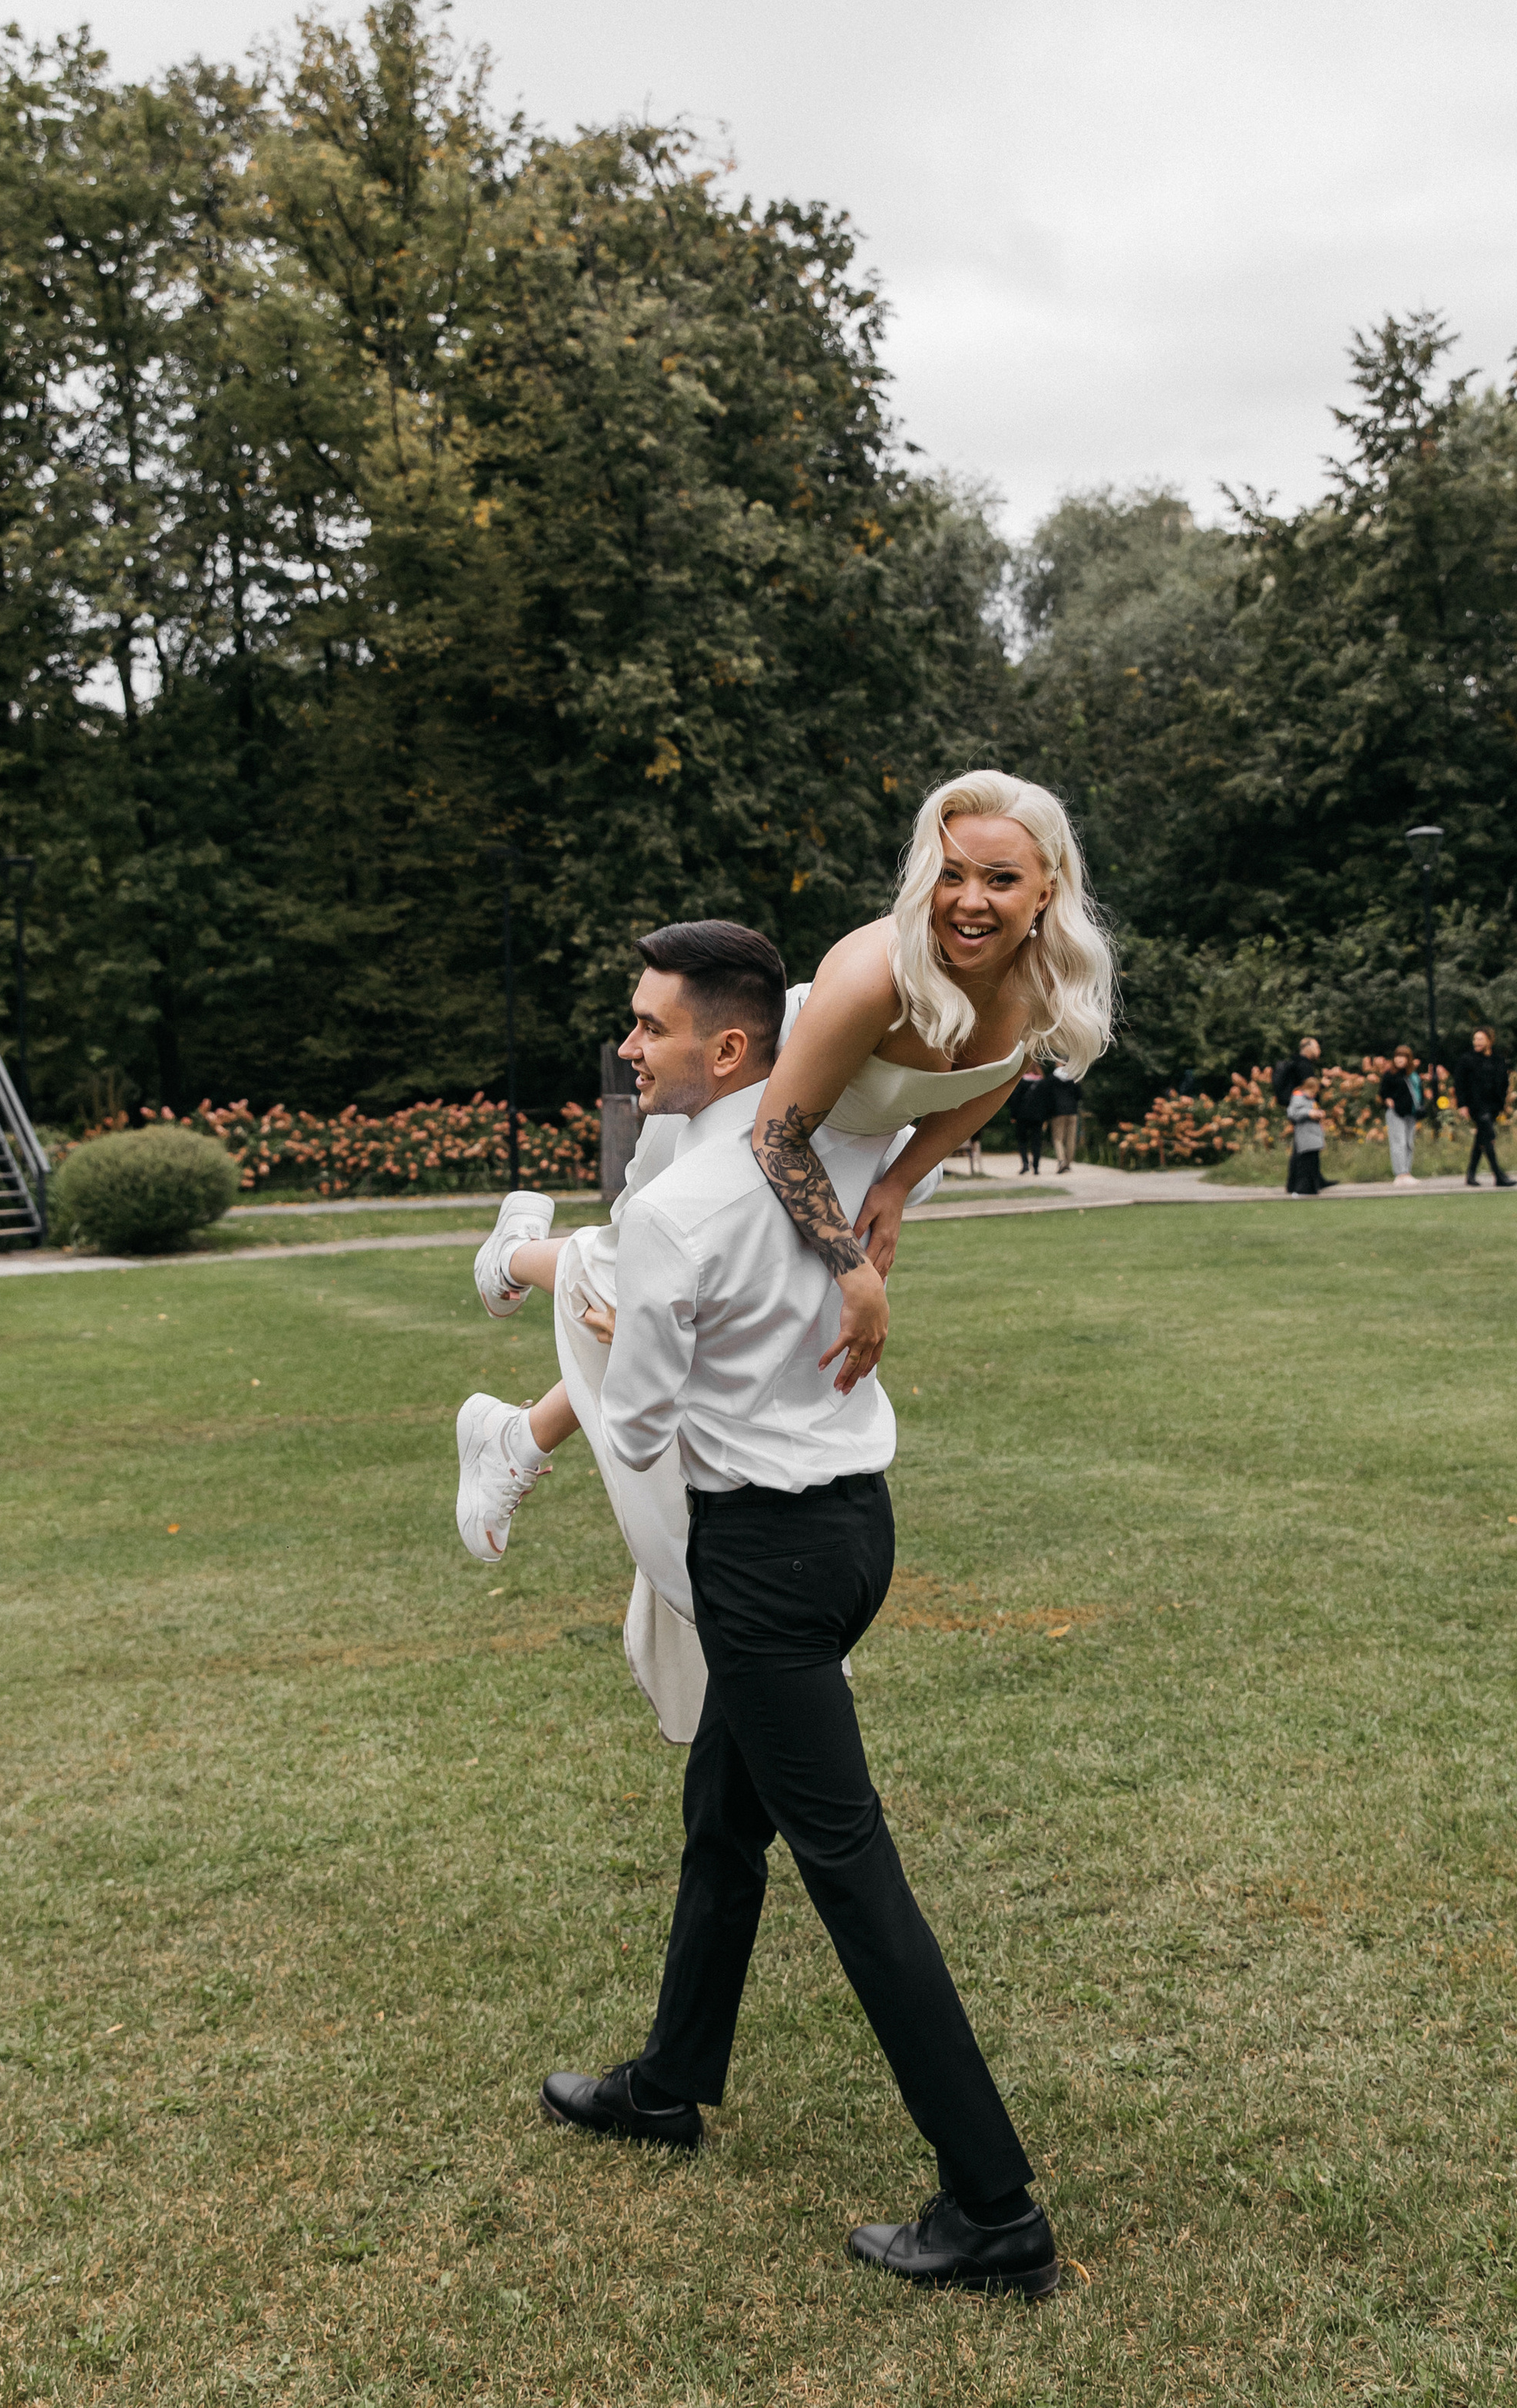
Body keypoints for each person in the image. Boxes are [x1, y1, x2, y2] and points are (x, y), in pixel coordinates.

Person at [538, 919, 1062, 2301]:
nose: (627, 1046)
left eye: (646, 1026)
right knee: (725, 1808)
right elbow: (980, 1075)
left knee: (851, 1869)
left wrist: (582, 1315)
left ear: (730, 1044)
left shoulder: (669, 1212)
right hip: (854, 1538)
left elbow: (640, 1426)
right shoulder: (833, 1155)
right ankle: (669, 2081)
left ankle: (994, 2206)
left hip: (762, 1561)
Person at [453, 771, 1115, 1742]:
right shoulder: (874, 972)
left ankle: (518, 1432)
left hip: (861, 1149)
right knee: (652, 1273)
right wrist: (852, 1269)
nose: (971, 900)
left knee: (710, 1313)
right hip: (770, 1109)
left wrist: (897, 1186)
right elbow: (774, 1139)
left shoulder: (1040, 984)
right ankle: (517, 1257)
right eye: (952, 874)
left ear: (1047, 888)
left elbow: (986, 1082)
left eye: (1001, 879)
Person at [1454, 1027, 1517, 1187]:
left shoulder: (1497, 1059)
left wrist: (1503, 1103)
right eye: (1475, 1039)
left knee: (1481, 1139)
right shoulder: (1467, 1060)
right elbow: (1460, 1084)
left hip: (1493, 1105)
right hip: (1476, 1105)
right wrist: (1462, 1105)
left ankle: (1471, 1175)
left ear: (1489, 1040)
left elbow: (1503, 1082)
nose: (1477, 1042)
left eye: (1480, 1039)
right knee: (1489, 1137)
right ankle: (1499, 1175)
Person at [1380, 1044, 1422, 1186]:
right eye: (1397, 1056)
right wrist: (1388, 1100)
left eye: (1403, 1057)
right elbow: (1383, 1091)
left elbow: (1418, 1092)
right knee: (1399, 1142)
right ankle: (1400, 1173)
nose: (1399, 1059)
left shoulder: (1412, 1075)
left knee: (1409, 1143)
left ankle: (1407, 1171)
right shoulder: (1390, 1074)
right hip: (1396, 1112)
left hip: (1410, 1113)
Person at [1284, 1070, 1328, 1194]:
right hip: (1306, 1136)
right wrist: (1310, 1113)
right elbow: (1292, 1113)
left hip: (1313, 1135)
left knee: (1312, 1163)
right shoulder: (1298, 1097)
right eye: (1313, 1092)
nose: (1314, 1095)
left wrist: (1318, 1113)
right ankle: (1303, 1188)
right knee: (1305, 1164)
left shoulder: (1309, 1099)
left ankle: (1312, 1187)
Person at [1007, 1063, 1051, 1173]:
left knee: (1022, 1141)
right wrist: (1045, 1116)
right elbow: (1047, 1102)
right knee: (1036, 1141)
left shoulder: (1020, 1082)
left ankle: (1025, 1164)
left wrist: (1013, 1115)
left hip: (1022, 1116)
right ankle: (1036, 1167)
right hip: (1037, 1117)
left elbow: (1014, 1099)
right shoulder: (1043, 1083)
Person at [1047, 1064, 1082, 1174]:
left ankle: (1061, 1161)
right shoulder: (1074, 1078)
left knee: (1058, 1138)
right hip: (1072, 1111)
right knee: (1071, 1139)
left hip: (1058, 1112)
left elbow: (1048, 1095)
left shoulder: (1052, 1078)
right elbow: (1079, 1095)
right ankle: (1068, 1163)